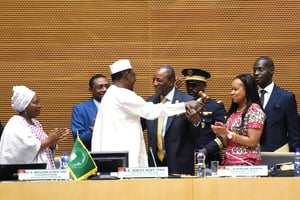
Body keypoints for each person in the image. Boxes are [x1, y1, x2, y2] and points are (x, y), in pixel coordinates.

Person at [91, 59, 204, 168]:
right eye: (133, 75)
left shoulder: (111, 94)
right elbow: (151, 111)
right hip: (123, 159)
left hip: (176, 162)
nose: (135, 79)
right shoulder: (123, 95)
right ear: (127, 75)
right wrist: (184, 105)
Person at [143, 65, 202, 175]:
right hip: (155, 164)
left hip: (179, 164)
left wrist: (195, 121)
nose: (154, 84)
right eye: (153, 80)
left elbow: (196, 135)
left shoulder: (187, 101)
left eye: (159, 80)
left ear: (171, 82)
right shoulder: (150, 102)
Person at [0, 86, 69, 169]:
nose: (39, 106)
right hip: (27, 176)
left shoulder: (36, 124)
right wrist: (48, 140)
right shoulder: (15, 124)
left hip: (43, 173)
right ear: (24, 106)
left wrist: (52, 144)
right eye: (35, 103)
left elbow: (43, 151)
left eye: (39, 102)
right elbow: (23, 151)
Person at [211, 74, 266, 165]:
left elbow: (252, 141)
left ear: (247, 91)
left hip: (247, 163)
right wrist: (222, 133)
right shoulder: (234, 112)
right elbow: (228, 143)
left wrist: (228, 133)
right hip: (229, 161)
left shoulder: (254, 110)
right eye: (231, 89)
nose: (232, 93)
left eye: (235, 89)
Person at [253, 56, 300, 152]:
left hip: (277, 153)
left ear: (271, 70)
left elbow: (294, 132)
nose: (256, 73)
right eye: (254, 70)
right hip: (252, 155)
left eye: (260, 70)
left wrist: (295, 159)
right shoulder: (250, 97)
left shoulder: (286, 98)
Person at [181, 68, 227, 167]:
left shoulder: (215, 106)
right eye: (188, 85)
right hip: (185, 158)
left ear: (204, 85)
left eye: (195, 85)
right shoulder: (181, 106)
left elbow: (223, 136)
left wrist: (207, 150)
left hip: (209, 158)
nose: (190, 89)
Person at [71, 74, 109, 150]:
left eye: (107, 86)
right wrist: (94, 132)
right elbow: (78, 140)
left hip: (118, 155)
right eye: (100, 87)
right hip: (93, 157)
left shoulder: (118, 107)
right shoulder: (80, 109)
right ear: (91, 90)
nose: (104, 89)